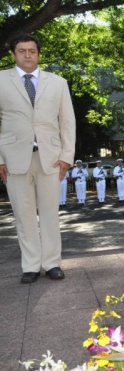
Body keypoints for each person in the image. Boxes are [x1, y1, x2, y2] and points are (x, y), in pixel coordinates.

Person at [0, 33, 76, 283]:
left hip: (51, 158)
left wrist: (67, 156)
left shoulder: (58, 82)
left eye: (32, 50)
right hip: (13, 158)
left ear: (38, 54)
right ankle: (30, 266)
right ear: (13, 54)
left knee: (50, 214)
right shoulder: (1, 80)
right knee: (23, 215)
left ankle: (52, 263)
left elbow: (67, 121)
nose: (27, 55)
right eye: (21, 51)